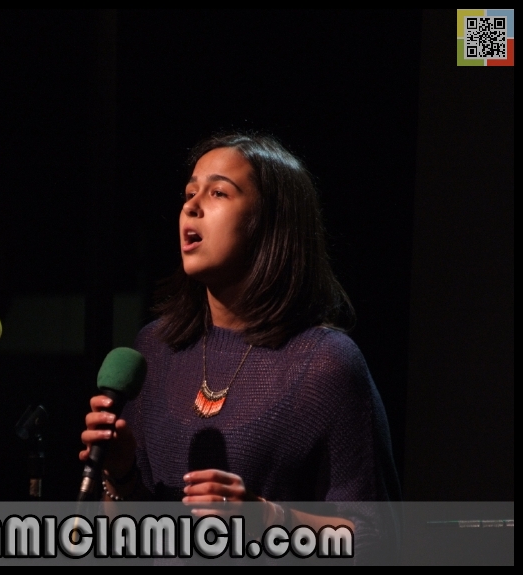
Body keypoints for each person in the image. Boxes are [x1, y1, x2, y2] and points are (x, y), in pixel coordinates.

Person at [80, 131, 400, 561]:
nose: (192, 206)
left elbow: (378, 539)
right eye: (189, 193)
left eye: (218, 193)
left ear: (270, 222)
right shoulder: (154, 349)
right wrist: (120, 475)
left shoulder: (325, 363)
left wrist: (269, 518)